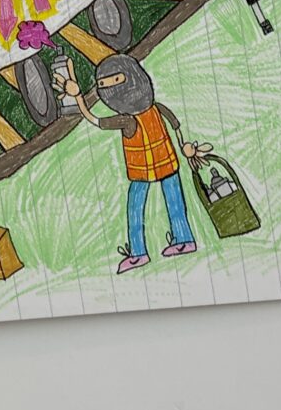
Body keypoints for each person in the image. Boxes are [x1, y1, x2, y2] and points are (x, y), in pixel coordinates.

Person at [59, 53, 210, 274]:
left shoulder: (129, 120)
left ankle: (141, 252)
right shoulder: (150, 111)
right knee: (173, 202)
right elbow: (175, 125)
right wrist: (183, 146)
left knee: (136, 209)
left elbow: (95, 120)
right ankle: (182, 239)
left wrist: (78, 97)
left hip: (145, 171)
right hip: (166, 163)